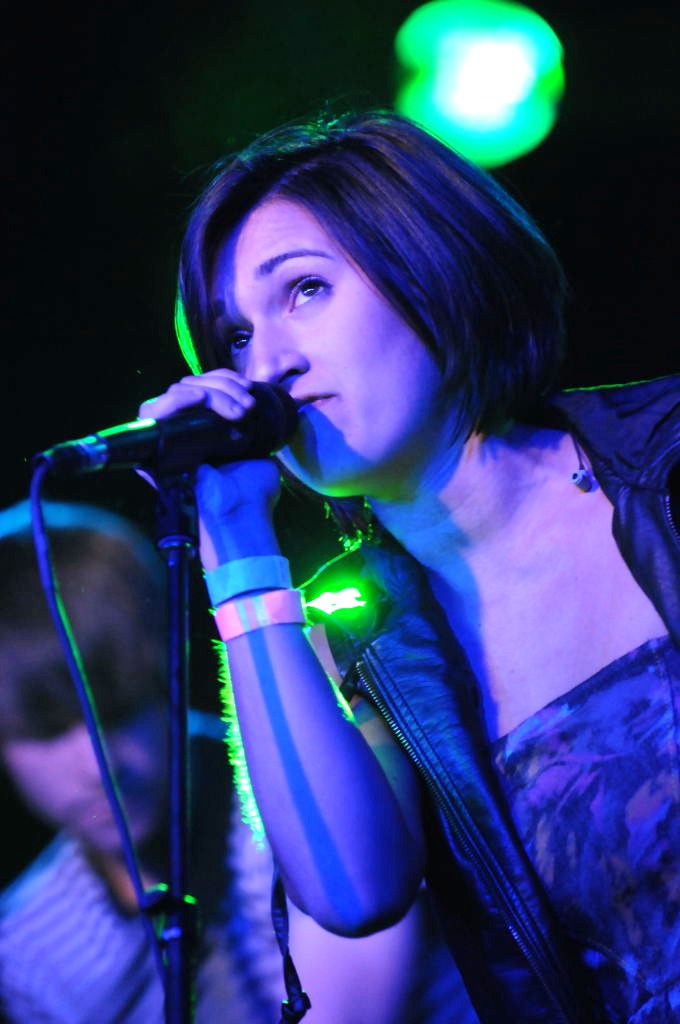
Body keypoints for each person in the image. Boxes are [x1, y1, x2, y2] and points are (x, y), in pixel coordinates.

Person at [140, 108, 680, 1024]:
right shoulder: (360, 645)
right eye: (233, 337)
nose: (268, 365)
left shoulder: (664, 462)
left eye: (305, 289)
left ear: (435, 267)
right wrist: (236, 550)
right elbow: (354, 894)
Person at [0, 499, 476, 1024]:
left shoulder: (314, 779)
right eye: (48, 731)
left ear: (166, 672)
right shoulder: (25, 953)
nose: (100, 767)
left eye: (120, 710)